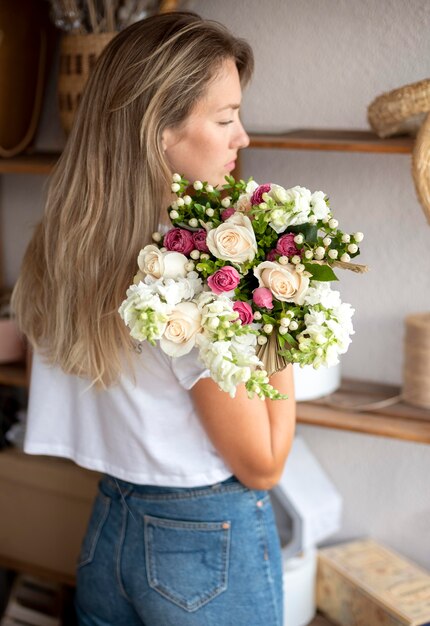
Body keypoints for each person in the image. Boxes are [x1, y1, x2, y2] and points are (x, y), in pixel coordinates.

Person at [12, 11, 296, 626]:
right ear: (159, 129)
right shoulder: (199, 266)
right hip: (201, 539)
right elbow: (264, 463)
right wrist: (283, 316)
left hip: (110, 523)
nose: (241, 137)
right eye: (225, 119)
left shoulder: (66, 242)